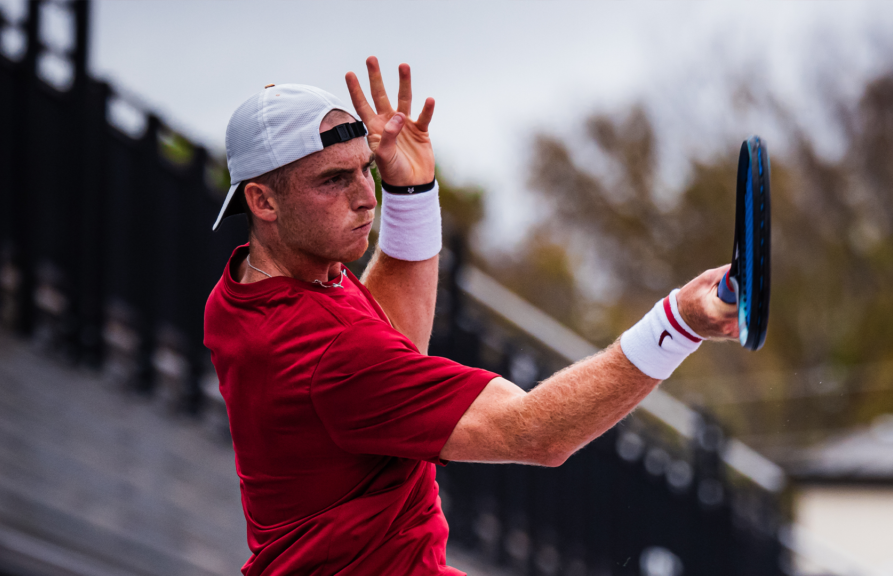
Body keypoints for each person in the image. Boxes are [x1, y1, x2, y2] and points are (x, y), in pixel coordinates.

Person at [204, 57, 738, 576]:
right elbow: (533, 433)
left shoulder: (242, 293)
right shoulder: (327, 351)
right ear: (263, 201)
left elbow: (386, 341)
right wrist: (678, 324)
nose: (367, 197)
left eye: (366, 168)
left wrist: (411, 192)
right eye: (333, 180)